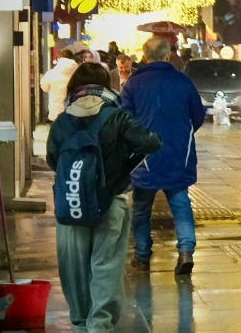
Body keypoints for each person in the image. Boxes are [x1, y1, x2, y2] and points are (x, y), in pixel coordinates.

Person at [47, 63, 161, 330]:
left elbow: (53, 158)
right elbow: (151, 142)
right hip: (112, 200)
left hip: (72, 202)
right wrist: (122, 165)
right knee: (106, 265)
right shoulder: (116, 116)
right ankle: (100, 324)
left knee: (73, 267)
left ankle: (80, 322)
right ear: (105, 87)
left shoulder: (63, 121)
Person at [120, 37, 207, 276]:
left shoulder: (133, 84)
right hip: (179, 152)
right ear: (168, 55)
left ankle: (142, 255)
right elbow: (198, 115)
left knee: (141, 208)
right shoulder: (183, 81)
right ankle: (186, 251)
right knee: (180, 204)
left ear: (144, 56)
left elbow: (123, 120)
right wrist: (182, 134)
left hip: (144, 156)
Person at [41, 50, 79, 122]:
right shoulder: (78, 73)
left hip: (56, 110)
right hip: (74, 111)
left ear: (59, 59)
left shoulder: (51, 73)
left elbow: (44, 87)